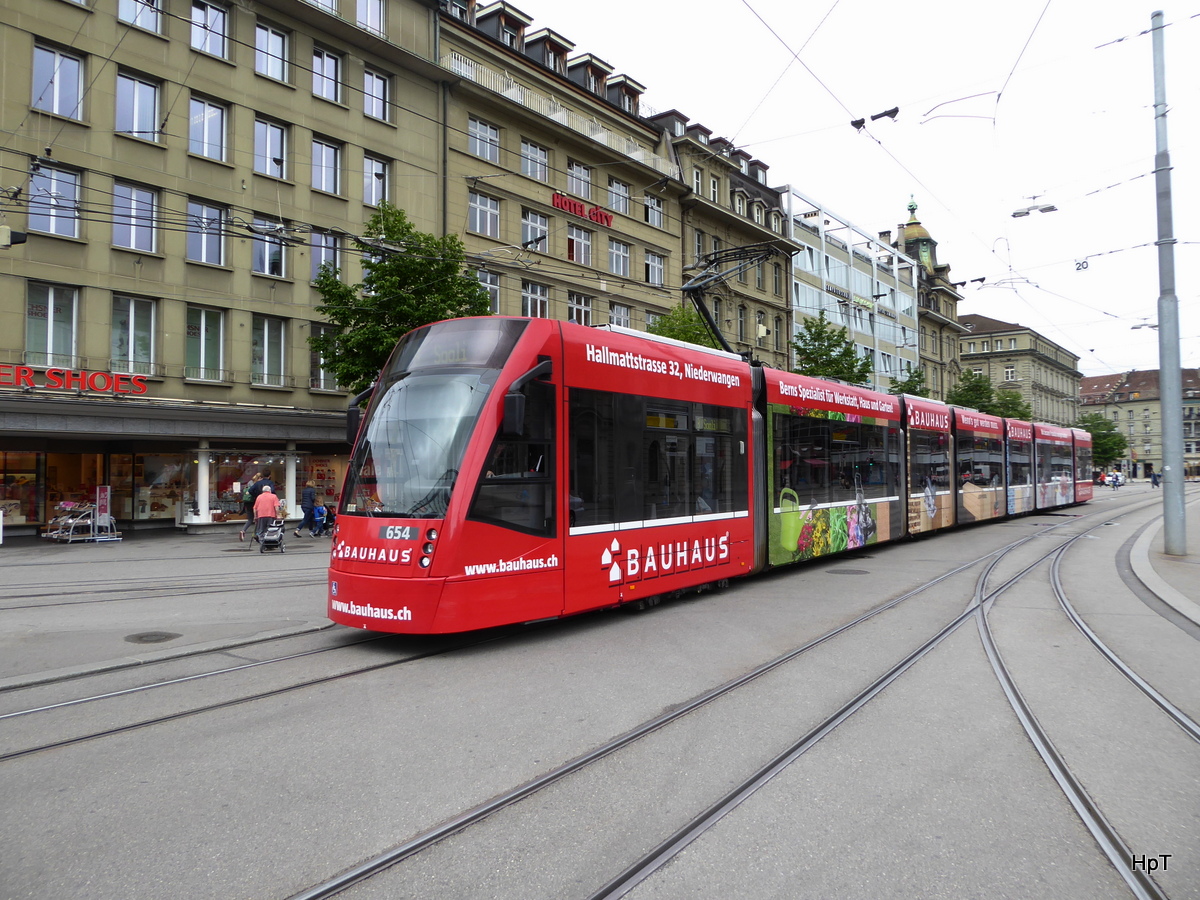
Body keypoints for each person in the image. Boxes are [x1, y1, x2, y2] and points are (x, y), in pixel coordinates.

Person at [238, 473, 263, 541]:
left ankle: (243, 531)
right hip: (254, 503)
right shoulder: (257, 485)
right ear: (259, 478)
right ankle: (256, 534)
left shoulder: (249, 483)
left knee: (250, 519)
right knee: (257, 519)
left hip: (247, 503)